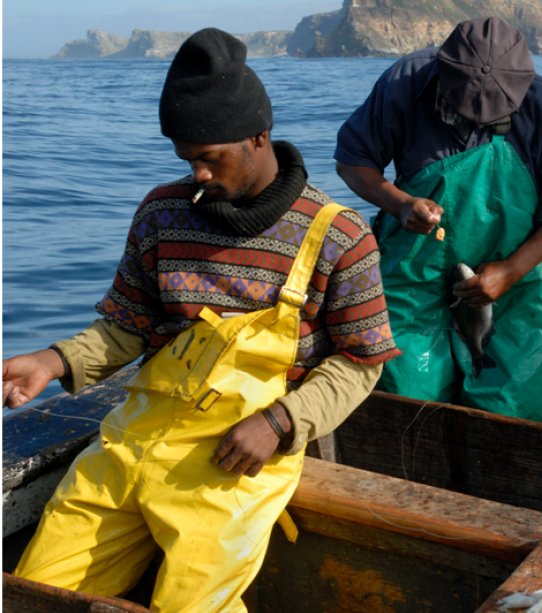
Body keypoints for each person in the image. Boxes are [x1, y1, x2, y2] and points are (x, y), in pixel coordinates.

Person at [2, 28, 399, 611]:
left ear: (259, 137)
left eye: (209, 158)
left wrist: (282, 421)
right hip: (134, 438)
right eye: (187, 160)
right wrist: (54, 360)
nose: (199, 176)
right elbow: (127, 326)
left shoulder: (342, 237)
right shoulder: (163, 212)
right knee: (37, 593)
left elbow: (362, 363)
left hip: (238, 456)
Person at [335, 17, 542, 422]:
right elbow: (352, 162)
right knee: (410, 392)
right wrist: (400, 204)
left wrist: (508, 271)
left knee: (512, 403)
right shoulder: (404, 82)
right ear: (441, 74)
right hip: (415, 265)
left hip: (515, 275)